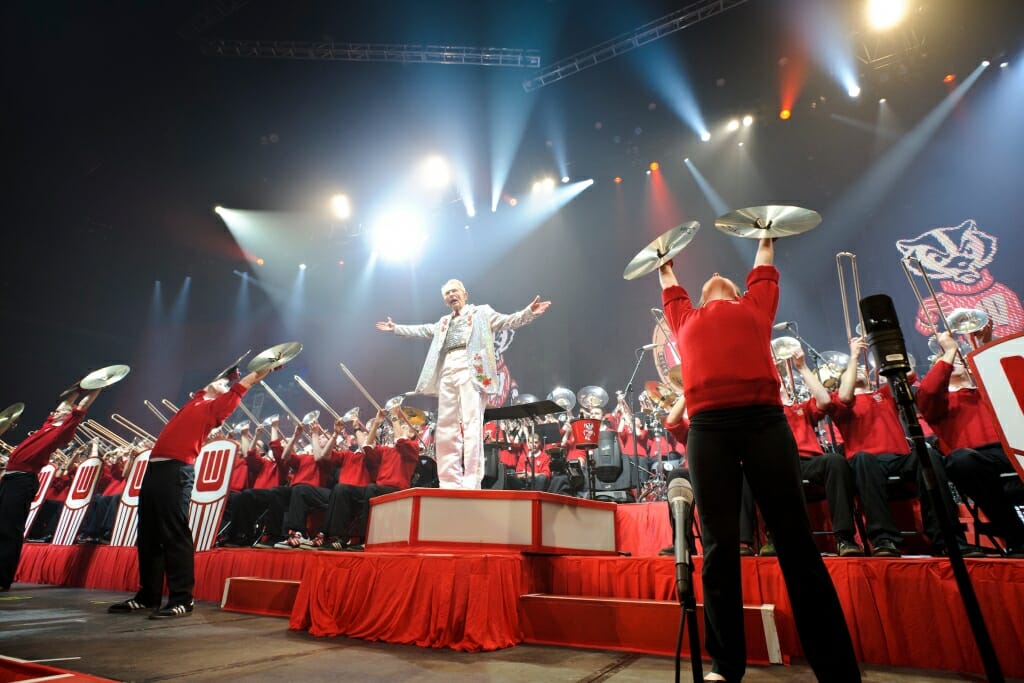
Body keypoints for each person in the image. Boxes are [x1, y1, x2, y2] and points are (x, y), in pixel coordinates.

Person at [658, 238, 859, 683]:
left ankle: (837, 669)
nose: (713, 274)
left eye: (723, 276)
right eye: (707, 277)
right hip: (708, 429)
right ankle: (724, 667)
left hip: (765, 422)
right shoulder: (684, 316)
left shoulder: (756, 305)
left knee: (796, 544)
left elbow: (763, 258)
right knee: (718, 549)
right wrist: (663, 258)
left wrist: (765, 232)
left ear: (737, 289)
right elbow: (667, 279)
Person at [108, 363, 272, 618]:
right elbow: (213, 382)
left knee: (175, 534)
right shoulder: (198, 399)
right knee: (148, 535)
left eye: (225, 384)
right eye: (221, 381)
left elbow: (243, 386)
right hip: (153, 471)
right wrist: (226, 375)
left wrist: (265, 368)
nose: (222, 382)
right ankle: (147, 596)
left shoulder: (216, 407)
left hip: (177, 471)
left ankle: (182, 599)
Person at [376, 279, 550, 489]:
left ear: (465, 294)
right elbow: (422, 330)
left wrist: (529, 312)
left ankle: (471, 480)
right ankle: (449, 480)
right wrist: (396, 328)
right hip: (448, 370)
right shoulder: (443, 323)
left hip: (471, 370)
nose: (451, 295)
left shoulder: (481, 313)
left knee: (471, 423)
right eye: (447, 293)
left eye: (454, 291)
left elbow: (508, 321)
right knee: (446, 427)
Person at [830, 337, 978, 558]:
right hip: (866, 464)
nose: (860, 370)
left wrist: (882, 351)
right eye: (854, 370)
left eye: (862, 368)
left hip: (899, 458)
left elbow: (907, 375)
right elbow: (845, 395)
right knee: (862, 459)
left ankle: (946, 538)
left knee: (927, 455)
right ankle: (884, 539)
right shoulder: (838, 400)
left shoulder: (883, 393)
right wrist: (853, 357)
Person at [917, 331, 1024, 557]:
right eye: (946, 361)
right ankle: (1017, 536)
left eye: (958, 358)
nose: (954, 360)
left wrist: (985, 344)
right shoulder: (941, 401)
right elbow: (928, 390)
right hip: (977, 462)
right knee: (961, 460)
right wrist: (949, 350)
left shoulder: (988, 390)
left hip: (1014, 451)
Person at [1, 387, 99, 591]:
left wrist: (98, 385)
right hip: (9, 479)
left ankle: (3, 577)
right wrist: (79, 387)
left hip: (23, 479)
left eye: (64, 411)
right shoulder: (49, 424)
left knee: (10, 529)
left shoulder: (64, 429)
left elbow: (81, 406)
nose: (58, 411)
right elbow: (64, 403)